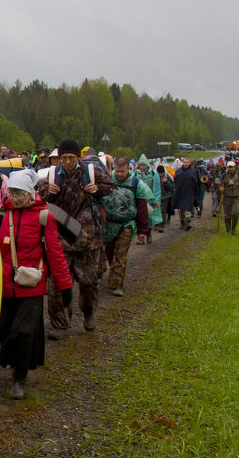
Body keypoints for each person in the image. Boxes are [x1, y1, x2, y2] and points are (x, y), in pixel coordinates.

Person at [0, 170, 71, 399]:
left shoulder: (44, 216)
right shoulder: (1, 213)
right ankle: (8, 361)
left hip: (32, 284)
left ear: (30, 193)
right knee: (6, 329)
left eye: (19, 193)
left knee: (25, 332)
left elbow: (55, 253)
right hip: (6, 282)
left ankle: (20, 377)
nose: (15, 198)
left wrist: (64, 285)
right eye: (12, 193)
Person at [39, 139, 113, 334]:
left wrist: (97, 189)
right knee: (56, 284)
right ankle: (60, 324)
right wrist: (48, 191)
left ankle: (88, 311)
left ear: (78, 157)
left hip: (89, 236)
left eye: (70, 157)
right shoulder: (53, 174)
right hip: (61, 236)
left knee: (89, 282)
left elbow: (111, 187)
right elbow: (41, 196)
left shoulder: (91, 172)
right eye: (63, 158)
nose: (67, 161)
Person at [103, 157, 152, 297]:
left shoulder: (137, 184)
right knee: (110, 252)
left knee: (121, 253)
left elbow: (142, 209)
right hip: (109, 223)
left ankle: (118, 284)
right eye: (116, 171)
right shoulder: (107, 180)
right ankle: (115, 274)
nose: (119, 174)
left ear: (129, 169)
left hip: (127, 224)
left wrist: (143, 231)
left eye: (122, 171)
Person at [171, 157, 201, 231]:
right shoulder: (178, 171)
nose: (186, 164)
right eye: (185, 162)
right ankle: (182, 223)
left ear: (190, 163)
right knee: (181, 210)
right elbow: (175, 182)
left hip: (189, 193)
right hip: (180, 193)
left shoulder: (193, 171)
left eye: (187, 162)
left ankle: (188, 223)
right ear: (182, 162)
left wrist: (197, 192)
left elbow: (197, 182)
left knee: (188, 209)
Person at [220, 160, 239, 234]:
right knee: (227, 216)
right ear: (227, 167)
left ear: (235, 167)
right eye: (229, 167)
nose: (230, 168)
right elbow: (220, 185)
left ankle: (233, 229)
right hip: (226, 198)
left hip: (236, 198)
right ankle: (228, 230)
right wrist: (221, 188)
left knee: (236, 213)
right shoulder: (224, 176)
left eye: (231, 167)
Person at [155, 165, 174, 232]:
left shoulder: (167, 177)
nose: (160, 174)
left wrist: (166, 182)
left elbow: (172, 187)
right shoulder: (155, 176)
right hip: (157, 197)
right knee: (156, 211)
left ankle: (161, 226)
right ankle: (156, 223)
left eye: (161, 173)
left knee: (163, 211)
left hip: (165, 197)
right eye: (159, 173)